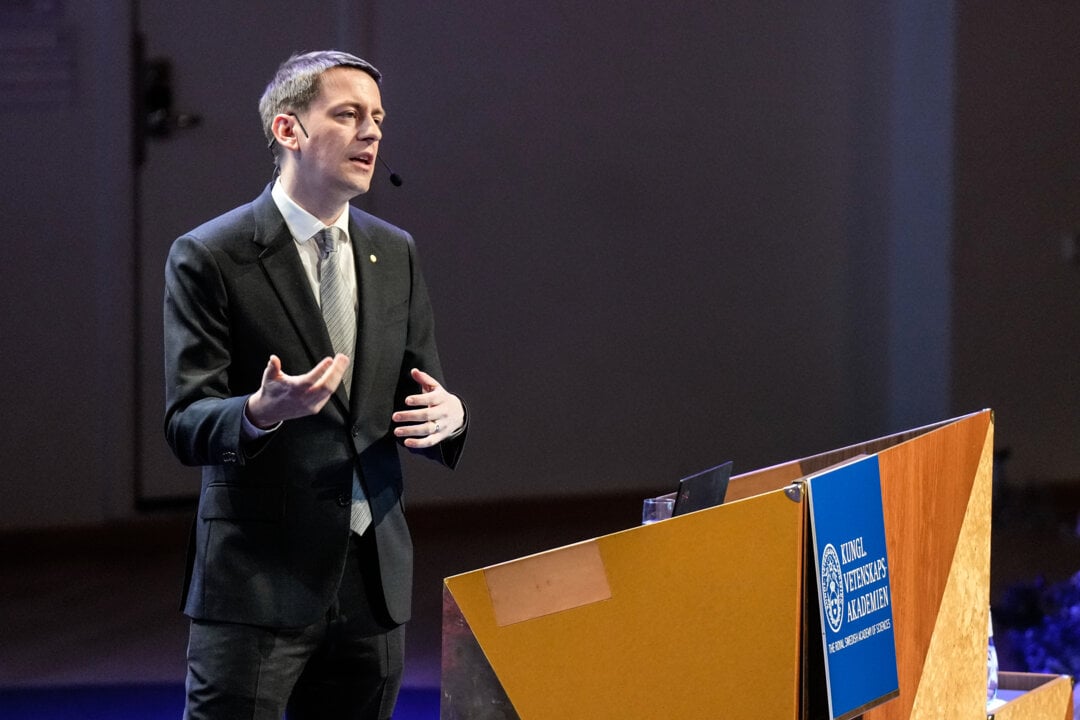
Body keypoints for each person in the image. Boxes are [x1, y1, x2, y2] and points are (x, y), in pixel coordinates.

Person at [163, 50, 467, 720]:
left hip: (371, 580)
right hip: (258, 580)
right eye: (348, 114)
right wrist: (258, 411)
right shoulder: (211, 254)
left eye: (378, 118)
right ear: (288, 130)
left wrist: (450, 415)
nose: (371, 132)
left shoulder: (396, 251)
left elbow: (422, 388)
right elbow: (186, 420)